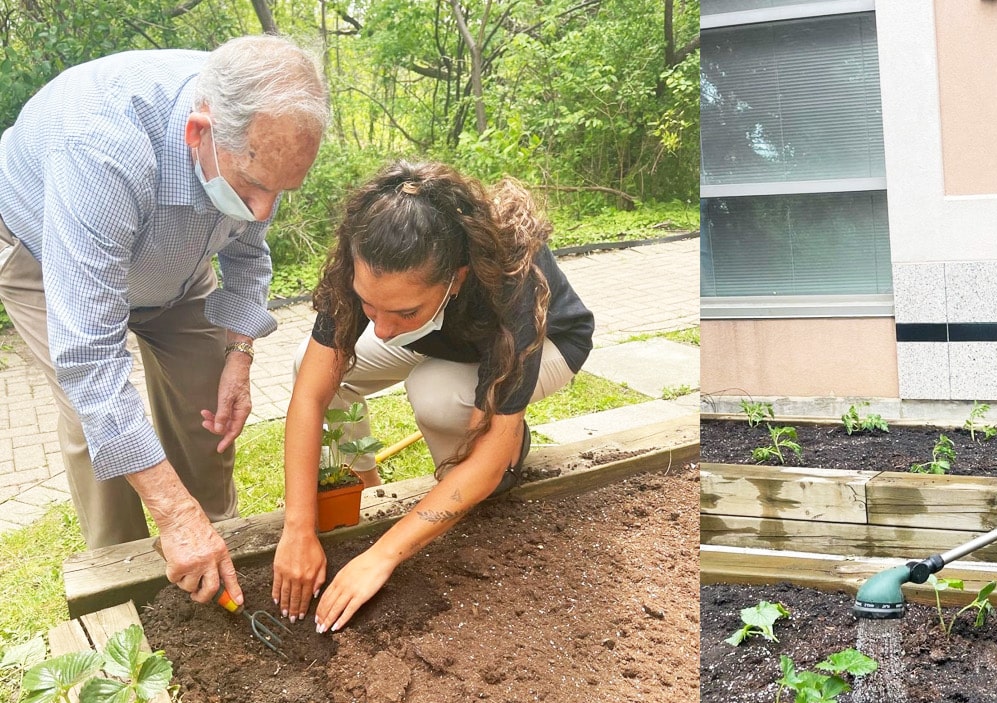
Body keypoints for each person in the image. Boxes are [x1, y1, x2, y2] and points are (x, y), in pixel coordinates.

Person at [0, 36, 329, 607]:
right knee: (95, 426)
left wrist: (240, 353)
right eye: (254, 187)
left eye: (281, 191)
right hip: (47, 255)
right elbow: (91, 361)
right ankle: (122, 579)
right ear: (198, 133)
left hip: (175, 261)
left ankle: (215, 542)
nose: (263, 211)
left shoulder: (261, 132)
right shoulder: (100, 149)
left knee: (206, 400)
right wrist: (172, 511)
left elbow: (248, 253)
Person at [272, 160, 595, 632]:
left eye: (403, 311)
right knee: (311, 362)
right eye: (368, 305)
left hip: (547, 343)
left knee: (438, 395)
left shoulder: (512, 276)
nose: (381, 330)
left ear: (456, 278)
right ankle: (370, 485)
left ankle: (507, 450)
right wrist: (298, 528)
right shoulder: (367, 259)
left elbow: (486, 461)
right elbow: (309, 395)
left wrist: (382, 554)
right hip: (441, 333)